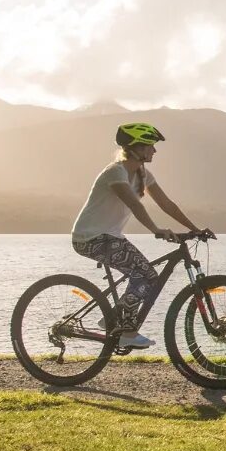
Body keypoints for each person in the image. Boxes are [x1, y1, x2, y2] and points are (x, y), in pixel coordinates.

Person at [70, 122, 205, 350]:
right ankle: (126, 331)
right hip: (90, 237)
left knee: (146, 275)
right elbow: (134, 204)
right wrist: (156, 230)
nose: (154, 150)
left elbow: (166, 204)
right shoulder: (116, 171)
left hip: (109, 237)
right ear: (135, 147)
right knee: (148, 276)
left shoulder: (143, 173)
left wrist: (195, 228)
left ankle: (114, 319)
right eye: (150, 145)